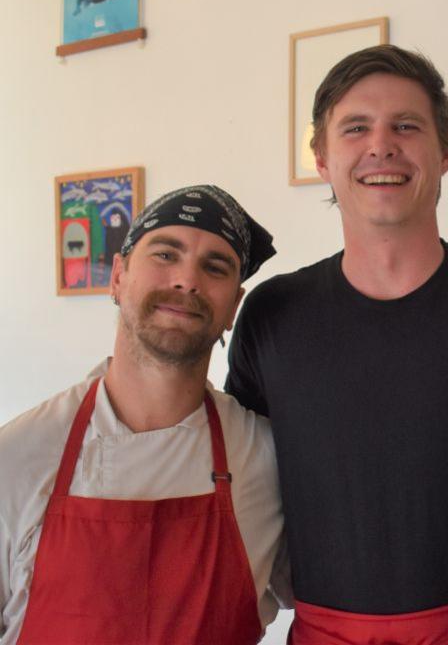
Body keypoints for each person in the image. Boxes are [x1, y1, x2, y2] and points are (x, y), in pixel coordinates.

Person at [225, 44, 448, 644]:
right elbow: (240, 482)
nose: (381, 146)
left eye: (406, 126)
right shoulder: (271, 313)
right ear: (321, 156)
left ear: (445, 152)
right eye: (356, 127)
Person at [0, 185, 286, 644]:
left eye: (215, 267)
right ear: (117, 276)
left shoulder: (266, 457)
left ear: (234, 305)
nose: (187, 279)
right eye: (165, 255)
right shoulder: (17, 457)